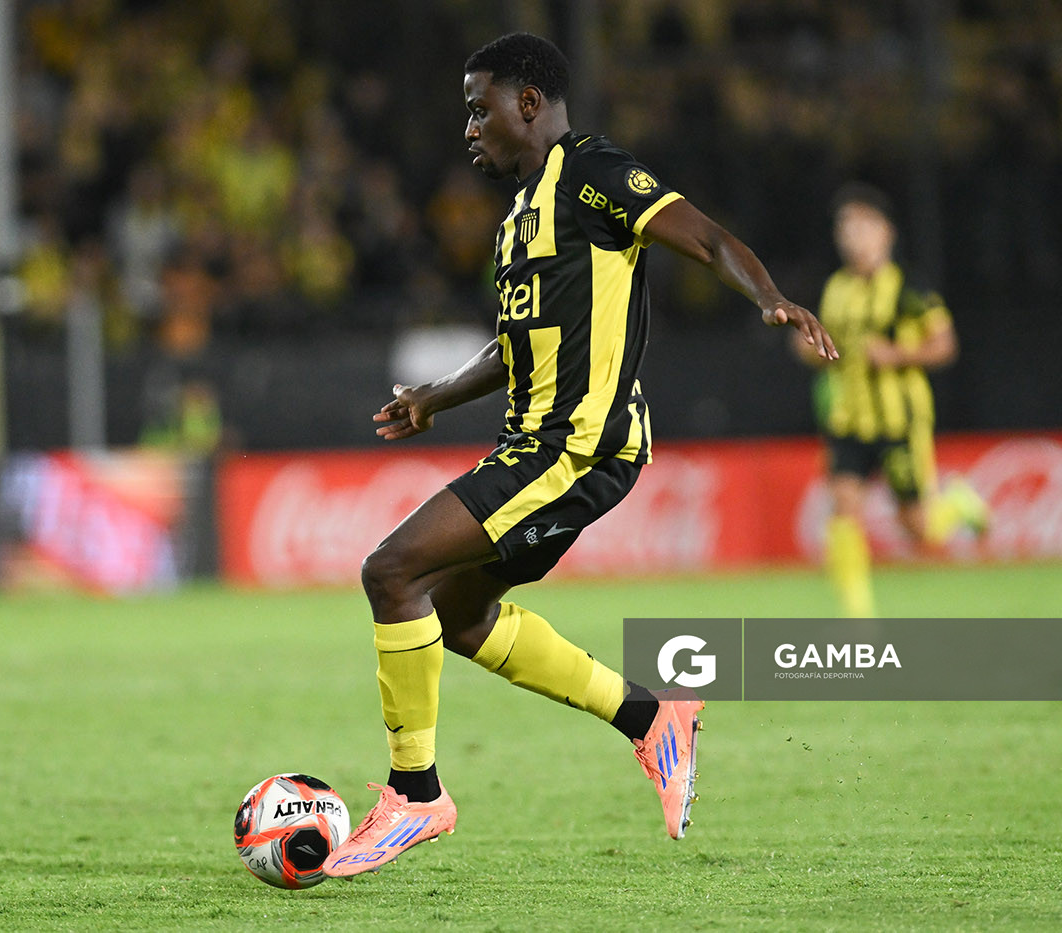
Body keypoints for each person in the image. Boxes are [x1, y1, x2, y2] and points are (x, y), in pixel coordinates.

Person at [322, 33, 838, 879]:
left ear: (528, 102)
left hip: (576, 444)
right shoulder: (519, 219)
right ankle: (651, 717)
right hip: (541, 444)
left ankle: (415, 794)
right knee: (458, 614)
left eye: (478, 108)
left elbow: (706, 238)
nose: (469, 128)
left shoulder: (590, 171)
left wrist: (770, 296)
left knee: (392, 570)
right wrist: (435, 396)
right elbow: (517, 343)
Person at [800, 183, 987, 618]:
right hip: (848, 418)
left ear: (886, 232)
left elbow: (945, 345)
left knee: (919, 529)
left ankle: (958, 504)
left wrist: (897, 355)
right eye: (845, 228)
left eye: (863, 226)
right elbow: (819, 347)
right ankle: (857, 619)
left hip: (899, 420)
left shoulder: (908, 287)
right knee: (843, 508)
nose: (853, 237)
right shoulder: (836, 288)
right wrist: (810, 347)